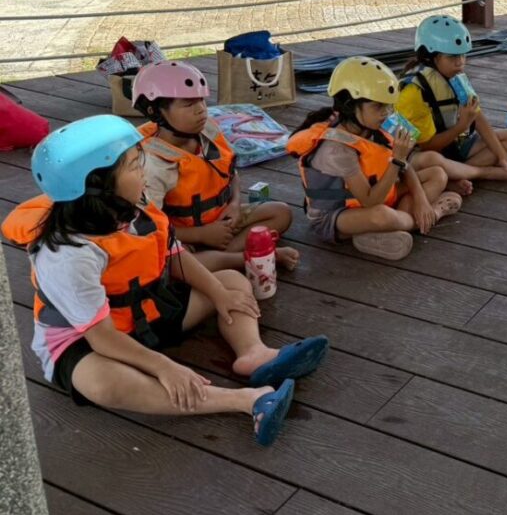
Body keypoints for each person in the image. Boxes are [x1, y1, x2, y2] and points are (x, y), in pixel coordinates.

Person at [1, 115, 330, 446]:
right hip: (91, 340)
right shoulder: (69, 255)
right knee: (102, 384)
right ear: (98, 187)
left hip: (149, 312)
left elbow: (173, 255)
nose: (143, 171)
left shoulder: (132, 205)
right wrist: (164, 366)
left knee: (230, 281)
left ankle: (253, 353)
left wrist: (218, 294)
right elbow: (102, 338)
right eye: (134, 165)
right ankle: (248, 400)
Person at [131, 61, 299, 275]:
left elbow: (230, 172)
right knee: (176, 264)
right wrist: (201, 235)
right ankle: (250, 258)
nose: (201, 110)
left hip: (222, 220)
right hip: (183, 235)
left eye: (201, 100)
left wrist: (235, 204)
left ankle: (221, 257)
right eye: (188, 104)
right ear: (155, 111)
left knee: (281, 212)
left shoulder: (206, 130)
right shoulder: (152, 164)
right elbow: (149, 227)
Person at [287, 57, 462, 261]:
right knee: (381, 215)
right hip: (338, 216)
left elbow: (406, 168)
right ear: (350, 106)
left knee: (437, 174)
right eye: (378, 106)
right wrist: (397, 160)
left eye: (389, 106)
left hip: (380, 196)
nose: (386, 113)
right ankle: (433, 214)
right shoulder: (337, 150)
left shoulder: (373, 127)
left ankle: (384, 230)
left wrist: (421, 200)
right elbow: (370, 201)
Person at [396, 14, 507, 187]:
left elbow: (478, 118)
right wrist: (462, 126)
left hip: (457, 145)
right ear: (430, 56)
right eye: (452, 57)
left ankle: (459, 175)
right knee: (432, 159)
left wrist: (504, 159)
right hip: (426, 153)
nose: (460, 63)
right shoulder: (414, 91)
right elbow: (427, 146)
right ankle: (480, 173)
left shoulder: (456, 77)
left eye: (463, 56)